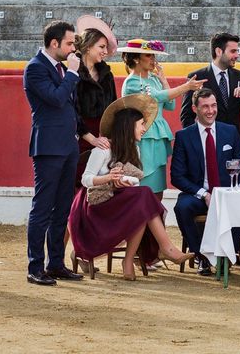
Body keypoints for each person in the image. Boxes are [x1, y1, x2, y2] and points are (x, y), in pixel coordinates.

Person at [69, 94, 194, 280]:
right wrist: (108, 179)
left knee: (142, 201)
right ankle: (165, 248)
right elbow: (86, 180)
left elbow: (135, 179)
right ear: (129, 126)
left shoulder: (135, 148)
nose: (145, 128)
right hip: (96, 207)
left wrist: (123, 180)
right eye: (141, 124)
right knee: (144, 197)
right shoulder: (103, 149)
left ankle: (132, 259)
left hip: (117, 203)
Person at [24, 20, 82, 286]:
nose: (73, 49)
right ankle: (35, 266)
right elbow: (57, 99)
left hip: (68, 145)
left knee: (62, 209)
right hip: (48, 146)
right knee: (43, 208)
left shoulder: (60, 67)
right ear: (54, 43)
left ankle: (55, 263)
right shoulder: (35, 68)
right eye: (69, 43)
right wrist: (71, 74)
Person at [172, 88, 240, 276]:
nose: (210, 110)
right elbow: (177, 176)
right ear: (194, 108)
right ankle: (202, 256)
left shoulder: (230, 131)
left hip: (227, 194)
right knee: (182, 208)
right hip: (198, 194)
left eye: (213, 105)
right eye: (205, 106)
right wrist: (203, 193)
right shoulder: (184, 136)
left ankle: (224, 254)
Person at [119, 39, 205, 200]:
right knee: (143, 188)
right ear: (137, 58)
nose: (153, 60)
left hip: (157, 137)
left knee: (158, 190)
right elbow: (155, 98)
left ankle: (156, 223)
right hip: (142, 137)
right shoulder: (131, 82)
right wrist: (186, 87)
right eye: (149, 55)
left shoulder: (153, 79)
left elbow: (170, 105)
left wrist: (163, 80)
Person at [180, 32, 240, 144]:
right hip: (207, 143)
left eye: (237, 51)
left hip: (235, 142)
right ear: (218, 51)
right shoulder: (197, 77)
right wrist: (196, 141)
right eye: (233, 51)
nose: (237, 55)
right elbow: (186, 116)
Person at [73, 16, 118, 180]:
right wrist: (90, 137)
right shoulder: (73, 73)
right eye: (102, 47)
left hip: (105, 138)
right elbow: (71, 110)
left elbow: (114, 107)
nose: (105, 52)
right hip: (79, 137)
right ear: (88, 46)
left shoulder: (107, 75)